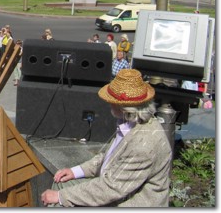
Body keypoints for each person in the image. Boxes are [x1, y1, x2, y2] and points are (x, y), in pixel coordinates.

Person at [40, 69, 172, 207]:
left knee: (59, 200)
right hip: (116, 188)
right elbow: (109, 157)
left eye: (111, 101)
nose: (108, 103)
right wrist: (76, 171)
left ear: (124, 108)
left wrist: (61, 197)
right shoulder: (130, 124)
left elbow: (111, 188)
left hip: (131, 203)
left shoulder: (143, 144)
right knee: (60, 184)